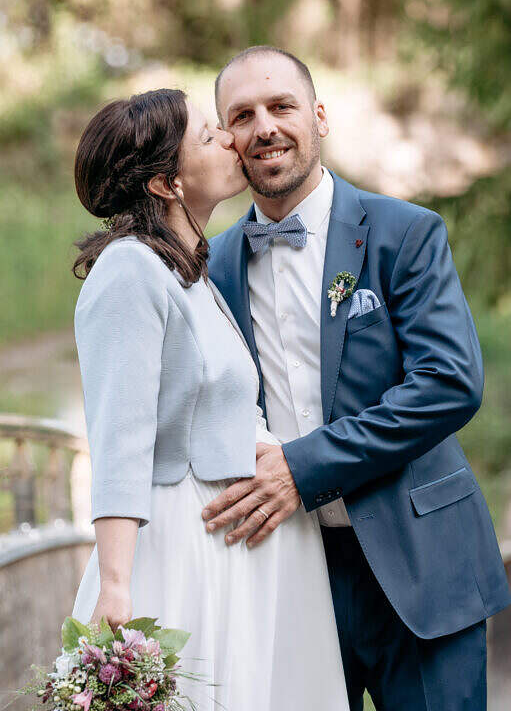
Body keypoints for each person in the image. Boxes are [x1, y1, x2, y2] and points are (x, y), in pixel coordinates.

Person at [204, 46, 511, 711]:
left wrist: (303, 467)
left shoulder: (404, 232)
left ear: (317, 116)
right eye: (242, 115)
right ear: (227, 139)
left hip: (420, 562)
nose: (264, 127)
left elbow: (448, 381)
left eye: (281, 106)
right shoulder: (214, 266)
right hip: (286, 571)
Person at [70, 88, 350, 711]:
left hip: (249, 550)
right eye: (208, 135)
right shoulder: (129, 271)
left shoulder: (192, 271)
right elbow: (120, 436)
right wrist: (116, 586)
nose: (230, 137)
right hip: (191, 546)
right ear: (166, 185)